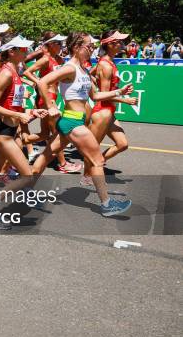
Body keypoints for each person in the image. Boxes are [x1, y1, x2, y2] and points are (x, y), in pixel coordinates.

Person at [33, 32, 135, 217]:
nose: (92, 49)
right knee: (97, 160)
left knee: (46, 156)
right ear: (76, 47)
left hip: (74, 121)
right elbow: (42, 81)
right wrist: (50, 105)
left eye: (92, 46)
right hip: (72, 120)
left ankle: (23, 191)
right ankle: (106, 204)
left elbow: (95, 96)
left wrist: (119, 92)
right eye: (88, 46)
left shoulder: (85, 70)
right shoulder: (70, 68)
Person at [0, 35, 49, 229]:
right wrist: (19, 116)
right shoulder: (5, 73)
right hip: (4, 132)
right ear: (11, 52)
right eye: (22, 49)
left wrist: (31, 111)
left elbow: (14, 103)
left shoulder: (15, 70)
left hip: (10, 129)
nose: (26, 51)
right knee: (27, 176)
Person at [82, 31, 138, 185]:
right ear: (111, 44)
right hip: (102, 112)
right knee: (93, 148)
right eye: (119, 42)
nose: (122, 44)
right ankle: (87, 175)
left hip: (109, 112)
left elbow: (89, 73)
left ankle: (98, 163)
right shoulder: (106, 65)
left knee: (122, 144)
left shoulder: (107, 62)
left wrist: (92, 80)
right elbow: (105, 94)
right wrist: (125, 100)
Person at [21, 32, 82, 173]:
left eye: (61, 43)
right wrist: (39, 82)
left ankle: (12, 144)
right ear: (50, 44)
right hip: (46, 97)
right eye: (58, 43)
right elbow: (27, 72)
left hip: (53, 96)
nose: (61, 46)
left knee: (44, 134)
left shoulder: (58, 59)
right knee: (57, 132)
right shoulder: (45, 59)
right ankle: (62, 164)